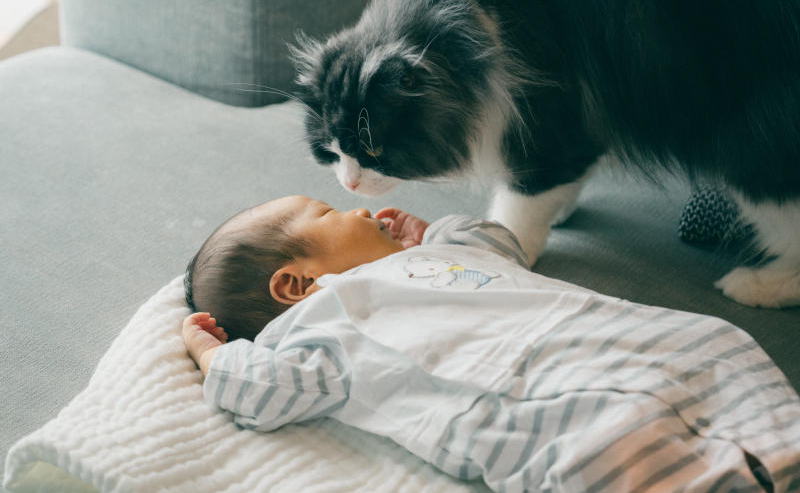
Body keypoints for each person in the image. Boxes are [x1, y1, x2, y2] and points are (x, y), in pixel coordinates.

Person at [183, 196, 800, 493]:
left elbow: (501, 244)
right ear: (297, 282)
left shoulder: (438, 254)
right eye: (328, 211)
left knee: (717, 344)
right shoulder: (320, 329)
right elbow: (258, 390)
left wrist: (436, 233)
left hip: (605, 331)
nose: (361, 208)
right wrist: (210, 352)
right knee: (612, 455)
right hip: (524, 403)